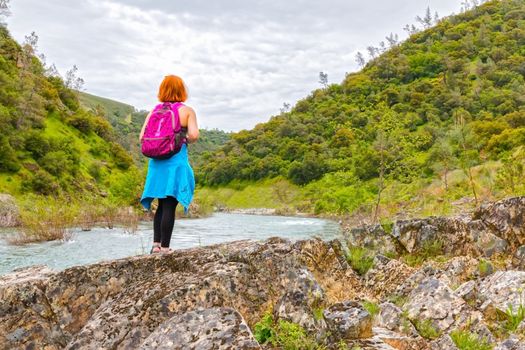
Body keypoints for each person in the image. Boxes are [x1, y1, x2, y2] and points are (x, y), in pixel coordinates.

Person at [139, 75, 199, 254]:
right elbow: (194, 135)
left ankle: (156, 245)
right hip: (176, 162)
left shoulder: (153, 112)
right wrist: (181, 138)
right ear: (182, 91)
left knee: (160, 204)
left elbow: (142, 137)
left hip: (157, 164)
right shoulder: (187, 111)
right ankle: (165, 248)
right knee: (170, 205)